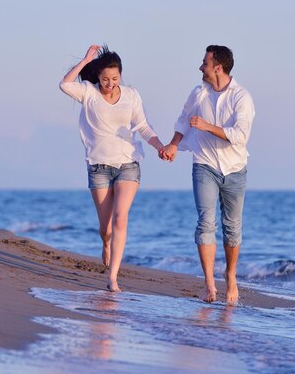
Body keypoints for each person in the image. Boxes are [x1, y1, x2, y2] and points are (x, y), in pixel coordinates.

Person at [59, 44, 165, 292]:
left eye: (115, 79)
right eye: (105, 79)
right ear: (98, 76)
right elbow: (65, 84)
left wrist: (159, 146)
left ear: (121, 75)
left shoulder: (131, 95)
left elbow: (143, 126)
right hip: (99, 166)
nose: (110, 84)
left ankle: (114, 277)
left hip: (128, 163)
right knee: (106, 228)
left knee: (121, 217)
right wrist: (85, 60)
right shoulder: (88, 92)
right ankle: (106, 243)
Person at [162, 45, 255, 305]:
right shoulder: (198, 93)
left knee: (232, 227)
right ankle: (209, 284)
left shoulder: (242, 97)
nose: (200, 67)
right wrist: (172, 145)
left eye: (204, 63)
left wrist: (207, 126)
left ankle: (231, 276)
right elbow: (183, 120)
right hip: (204, 164)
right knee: (206, 222)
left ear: (218, 67)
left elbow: (240, 136)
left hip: (235, 169)